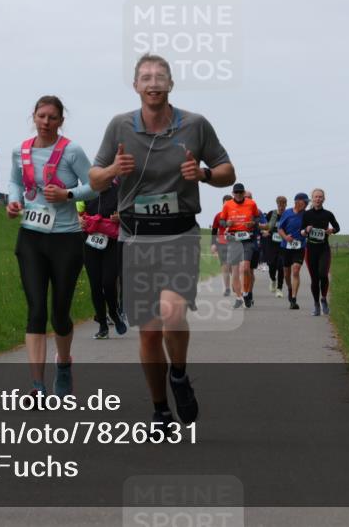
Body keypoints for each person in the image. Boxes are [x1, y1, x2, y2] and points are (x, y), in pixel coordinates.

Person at [90, 53, 234, 427]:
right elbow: (94, 179)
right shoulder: (119, 127)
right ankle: (160, 409)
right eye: (146, 78)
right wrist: (112, 170)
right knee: (150, 332)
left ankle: (179, 374)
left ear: (170, 84)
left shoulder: (195, 125)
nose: (153, 83)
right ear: (136, 86)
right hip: (136, 236)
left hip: (180, 233)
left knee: (172, 312)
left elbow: (227, 172)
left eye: (160, 77)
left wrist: (202, 174)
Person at [6, 96, 98, 399]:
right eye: (42, 116)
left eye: (52, 118)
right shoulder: (20, 151)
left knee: (59, 313)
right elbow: (15, 182)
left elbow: (95, 185)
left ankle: (64, 365)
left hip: (66, 239)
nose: (46, 122)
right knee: (36, 310)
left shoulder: (71, 151)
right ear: (33, 116)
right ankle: (36, 385)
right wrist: (13, 201)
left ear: (61, 121)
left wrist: (68, 194)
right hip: (31, 237)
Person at [80, 179, 127, 339]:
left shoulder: (119, 190)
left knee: (108, 282)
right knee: (95, 284)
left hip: (112, 242)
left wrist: (121, 216)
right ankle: (102, 325)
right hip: (90, 241)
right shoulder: (87, 191)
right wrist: (79, 219)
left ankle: (114, 313)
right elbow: (76, 209)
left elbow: (131, 210)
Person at [219, 183, 262, 308]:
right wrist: (226, 223)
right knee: (235, 270)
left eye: (240, 192)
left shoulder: (251, 204)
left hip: (247, 239)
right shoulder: (227, 205)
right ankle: (239, 297)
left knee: (246, 268)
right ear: (233, 193)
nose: (238, 195)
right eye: (236, 192)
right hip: (233, 239)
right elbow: (221, 222)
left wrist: (252, 223)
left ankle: (246, 292)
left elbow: (258, 218)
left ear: (243, 193)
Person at [302, 188, 341, 316]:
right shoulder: (306, 214)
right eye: (316, 197)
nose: (318, 199)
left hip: (324, 248)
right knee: (314, 279)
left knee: (323, 274)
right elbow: (300, 232)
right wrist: (306, 230)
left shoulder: (328, 214)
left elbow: (337, 227)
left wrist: (332, 230)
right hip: (311, 249)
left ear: (324, 199)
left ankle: (323, 299)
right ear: (312, 199)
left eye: (320, 197)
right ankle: (316, 304)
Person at [277, 193, 309, 310]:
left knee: (296, 270)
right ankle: (290, 289)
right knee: (286, 274)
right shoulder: (287, 213)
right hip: (286, 247)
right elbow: (280, 229)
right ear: (298, 202)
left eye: (307, 203)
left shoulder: (306, 214)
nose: (306, 204)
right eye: (305, 202)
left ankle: (294, 299)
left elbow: (309, 228)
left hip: (300, 246)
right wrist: (286, 237)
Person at [264, 196, 288, 297]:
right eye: (279, 204)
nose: (281, 207)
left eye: (283, 204)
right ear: (277, 204)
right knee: (271, 265)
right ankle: (273, 279)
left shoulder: (288, 215)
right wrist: (265, 231)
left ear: (286, 204)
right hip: (271, 244)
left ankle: (279, 289)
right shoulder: (272, 214)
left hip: (283, 245)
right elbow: (265, 226)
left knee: (281, 266)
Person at [210, 195, 234, 296]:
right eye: (225, 203)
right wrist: (213, 244)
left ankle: (235, 284)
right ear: (222, 204)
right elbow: (214, 231)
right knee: (225, 266)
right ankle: (227, 288)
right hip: (222, 243)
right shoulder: (218, 216)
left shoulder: (235, 215)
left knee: (233, 266)